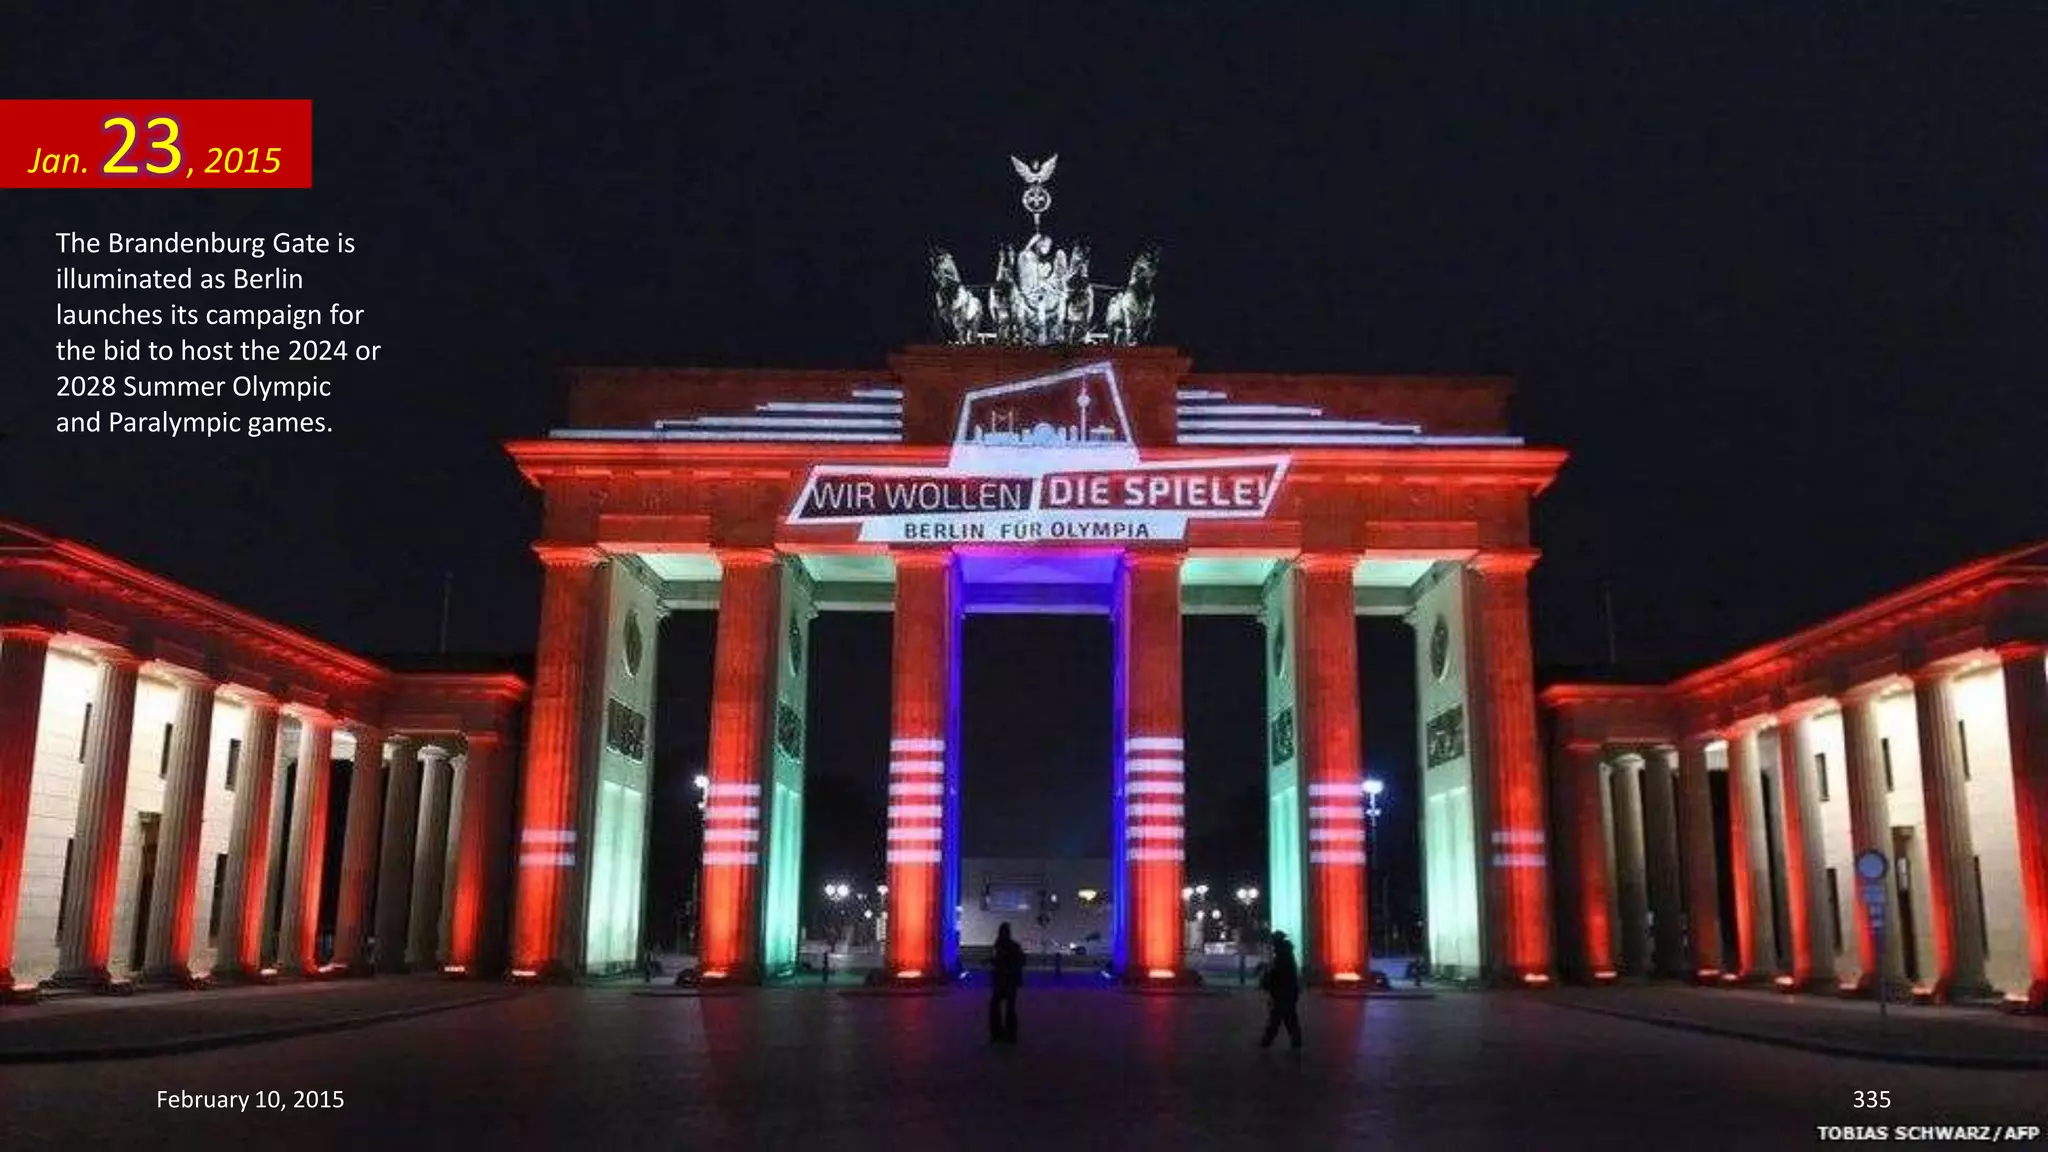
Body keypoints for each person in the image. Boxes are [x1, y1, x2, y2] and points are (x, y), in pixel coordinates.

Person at [1259, 931, 1303, 1050]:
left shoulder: (1281, 957)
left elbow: (1277, 975)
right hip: (1288, 992)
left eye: (1273, 942)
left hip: (1282, 993)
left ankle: (1266, 1041)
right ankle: (1295, 1041)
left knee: (1277, 1018)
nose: (1272, 945)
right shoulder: (1286, 954)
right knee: (1289, 1018)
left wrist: (1267, 981)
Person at [988, 922, 1025, 1043]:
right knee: (1010, 1007)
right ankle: (1010, 1034)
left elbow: (997, 961)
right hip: (1011, 980)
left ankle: (997, 1032)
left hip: (1001, 980)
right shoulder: (1014, 946)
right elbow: (1021, 961)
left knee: (995, 1005)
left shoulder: (998, 945)